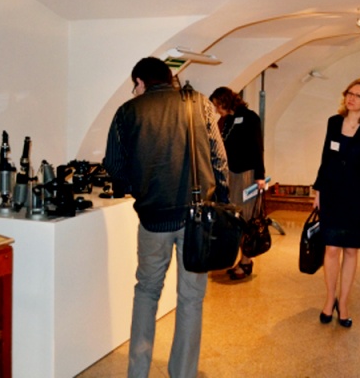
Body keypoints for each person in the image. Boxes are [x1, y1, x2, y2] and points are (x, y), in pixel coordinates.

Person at [103, 57, 229, 378]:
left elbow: (114, 165)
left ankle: (138, 372)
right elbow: (219, 158)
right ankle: (183, 373)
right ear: (170, 77)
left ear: (140, 82)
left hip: (152, 219)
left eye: (135, 86)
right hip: (196, 219)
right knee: (191, 299)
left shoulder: (126, 112)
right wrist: (221, 199)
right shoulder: (199, 104)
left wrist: (138, 189)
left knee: (146, 292)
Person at [313, 78, 360, 328]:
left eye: (358, 95)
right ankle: (329, 300)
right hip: (332, 192)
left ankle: (343, 303)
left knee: (351, 250)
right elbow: (326, 157)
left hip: (359, 195)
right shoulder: (334, 122)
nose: (351, 98)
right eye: (349, 93)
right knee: (331, 249)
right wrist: (318, 189)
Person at [209, 86, 266, 280]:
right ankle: (239, 259)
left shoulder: (250, 117)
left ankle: (246, 261)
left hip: (247, 174)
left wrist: (260, 176)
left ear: (226, 101)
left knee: (247, 218)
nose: (217, 110)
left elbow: (258, 148)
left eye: (218, 105)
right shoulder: (227, 120)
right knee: (234, 218)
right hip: (230, 174)